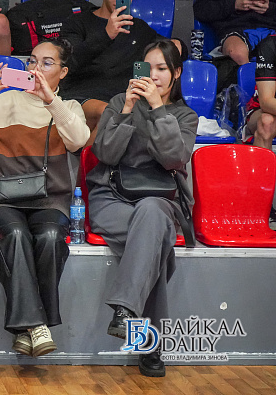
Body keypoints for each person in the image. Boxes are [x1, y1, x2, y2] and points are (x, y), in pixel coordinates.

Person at [0, 39, 90, 357]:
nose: (36, 69)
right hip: (3, 198)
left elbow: (79, 140)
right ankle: (37, 326)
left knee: (49, 236)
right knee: (16, 234)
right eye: (32, 61)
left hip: (51, 199)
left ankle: (26, 328)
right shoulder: (5, 102)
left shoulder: (69, 108)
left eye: (47, 63)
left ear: (63, 72)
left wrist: (51, 102)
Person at [86, 40, 198, 377]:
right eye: (148, 68)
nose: (154, 76)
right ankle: (149, 343)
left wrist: (157, 110)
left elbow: (174, 158)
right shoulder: (119, 103)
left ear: (176, 73)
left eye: (162, 68)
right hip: (112, 199)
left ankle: (126, 311)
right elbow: (105, 153)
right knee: (153, 242)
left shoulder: (185, 116)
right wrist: (127, 110)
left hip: (160, 202)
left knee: (151, 216)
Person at [61, 0, 182, 146]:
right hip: (81, 95)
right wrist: (106, 34)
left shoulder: (139, 28)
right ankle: (88, 163)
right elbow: (68, 62)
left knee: (126, 112)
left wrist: (178, 45)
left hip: (124, 99)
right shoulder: (78, 22)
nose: (120, 0)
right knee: (108, 113)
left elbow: (166, 47)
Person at [194, 0, 276, 65]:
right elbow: (200, 9)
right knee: (237, 53)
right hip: (234, 29)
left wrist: (269, 8)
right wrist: (234, 4)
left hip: (271, 26)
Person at [242, 35, 276, 148]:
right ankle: (261, 160)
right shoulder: (270, 45)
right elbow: (266, 102)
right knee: (266, 122)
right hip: (266, 110)